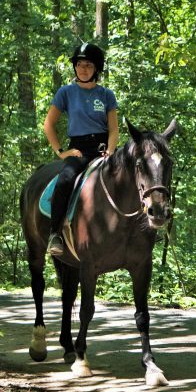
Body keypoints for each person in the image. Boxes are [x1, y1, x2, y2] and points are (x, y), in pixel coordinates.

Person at [43, 42, 119, 256]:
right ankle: (55, 234)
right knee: (65, 180)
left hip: (104, 148)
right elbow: (48, 125)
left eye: (88, 65)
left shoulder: (106, 95)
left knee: (129, 177)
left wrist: (111, 151)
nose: (83, 68)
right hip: (79, 150)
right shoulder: (66, 92)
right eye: (79, 64)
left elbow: (114, 130)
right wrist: (61, 152)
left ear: (97, 68)